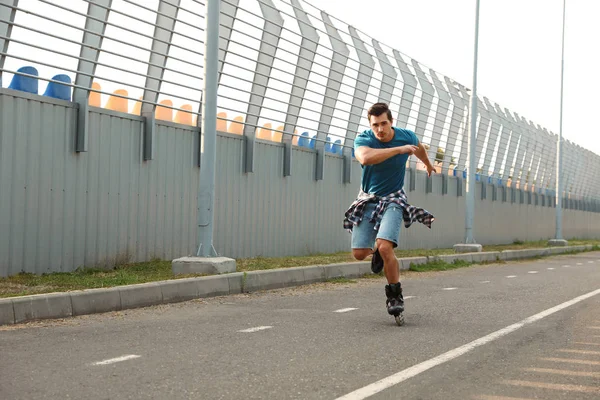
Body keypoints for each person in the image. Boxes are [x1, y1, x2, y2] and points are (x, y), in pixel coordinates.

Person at [343, 102, 435, 317]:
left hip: (394, 199)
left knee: (386, 247)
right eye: (375, 125)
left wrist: (428, 164)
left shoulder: (407, 136)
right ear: (370, 125)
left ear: (391, 122)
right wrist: (399, 150)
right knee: (359, 254)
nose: (380, 130)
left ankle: (394, 294)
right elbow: (365, 158)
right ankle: (374, 252)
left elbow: (418, 148)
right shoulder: (364, 139)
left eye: (384, 124)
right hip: (368, 199)